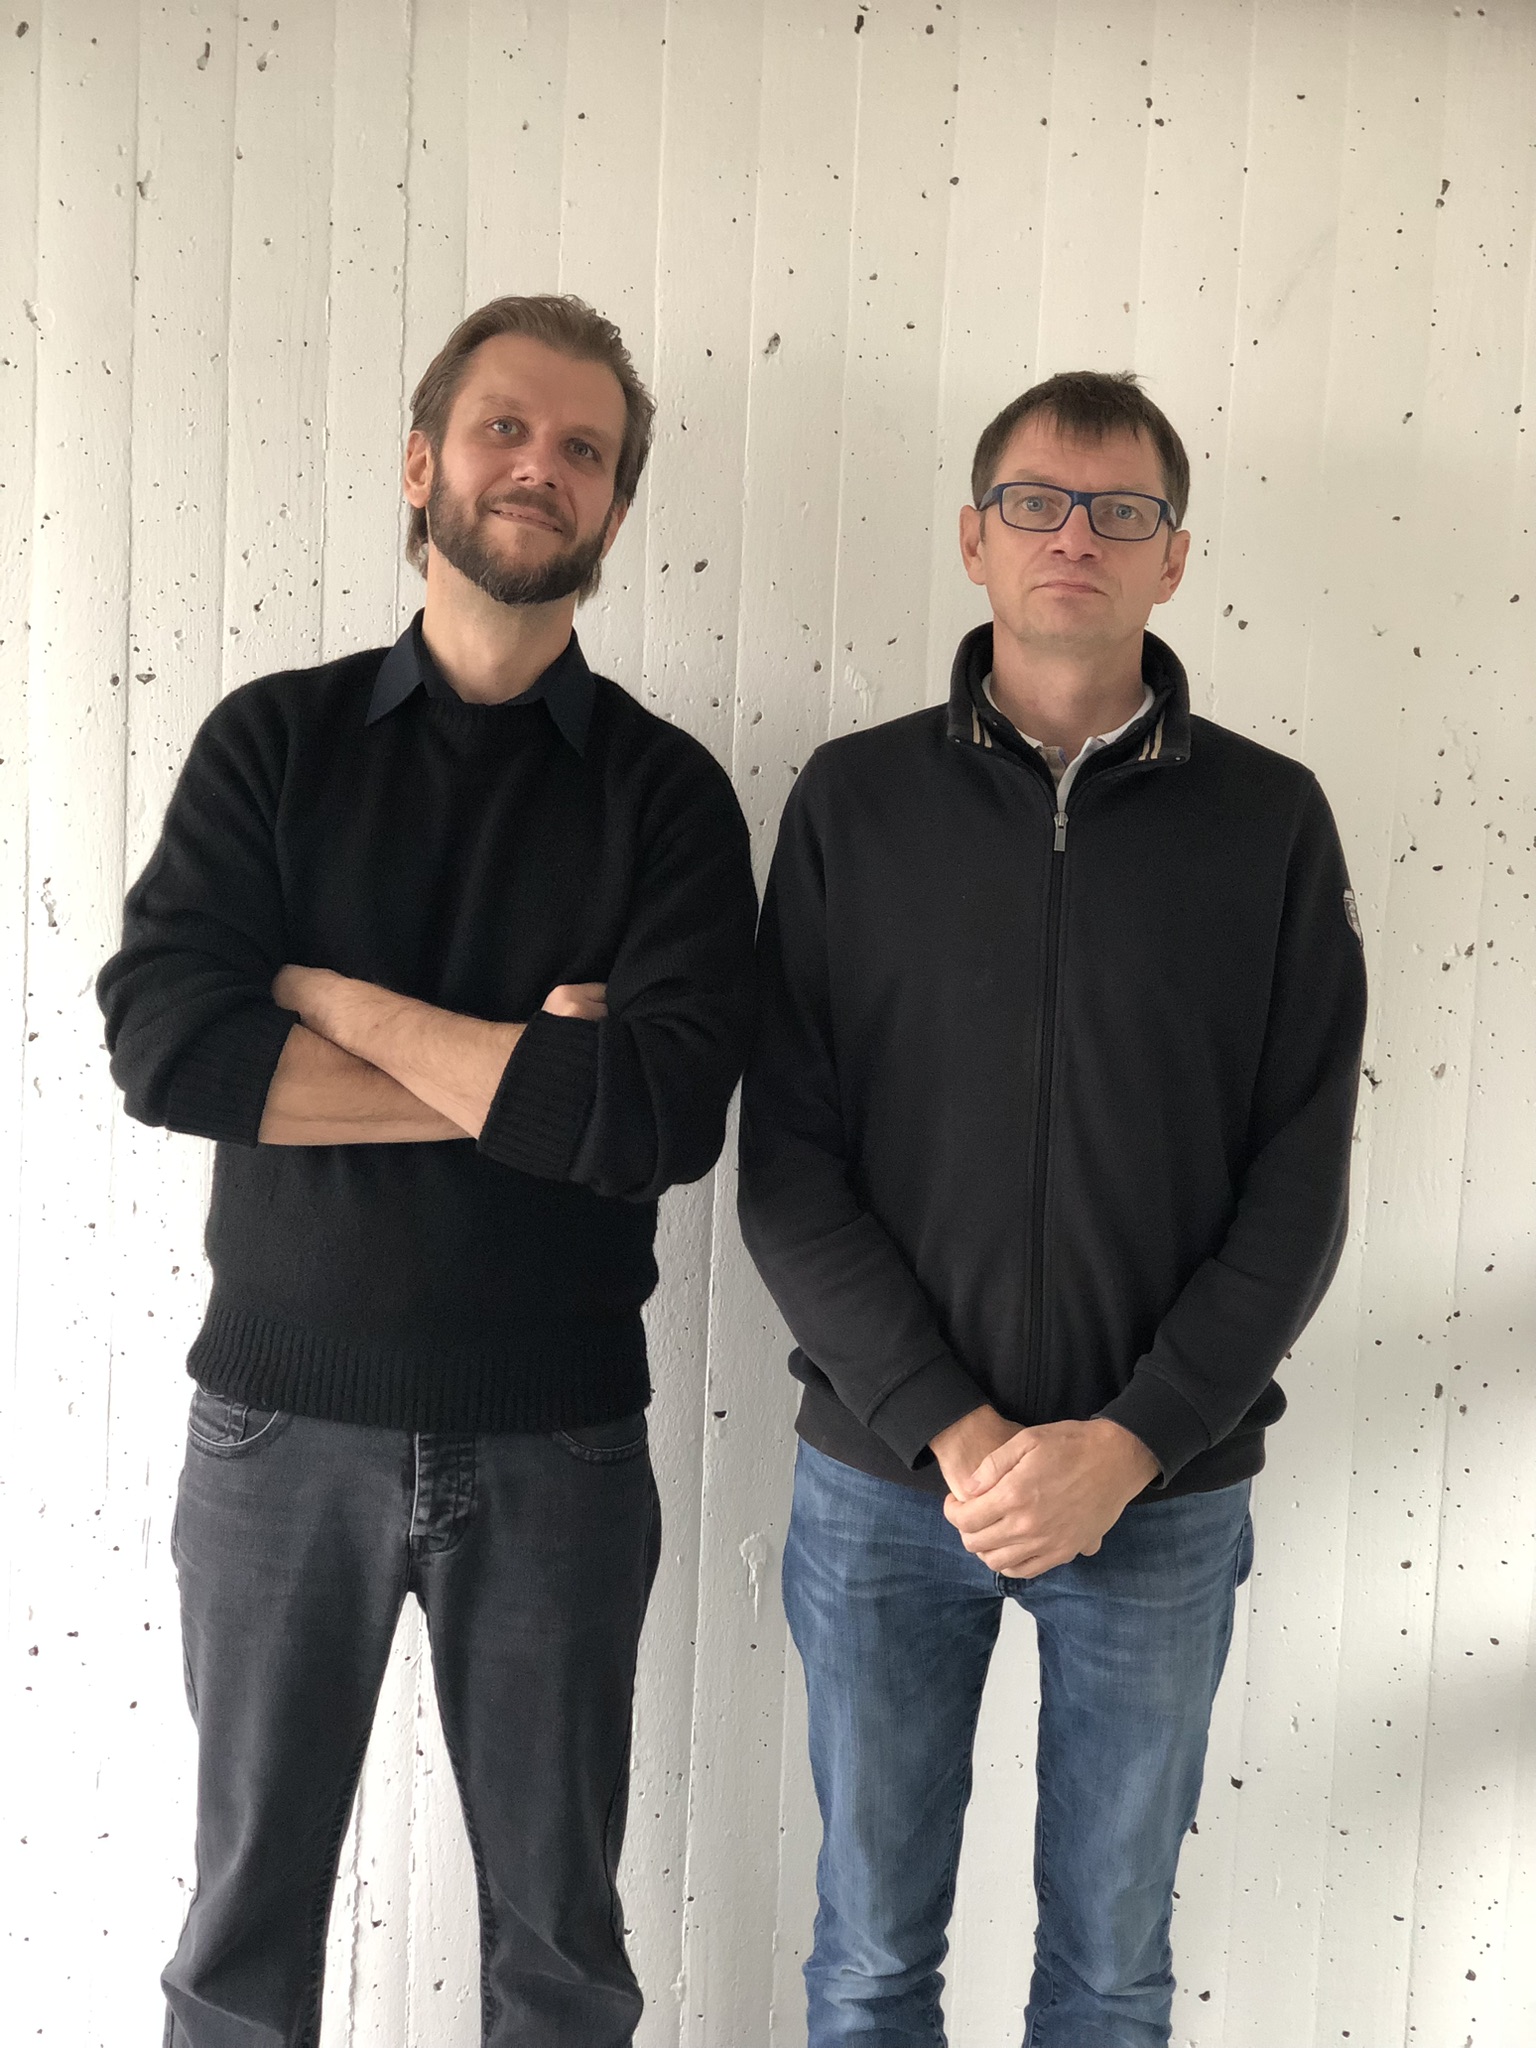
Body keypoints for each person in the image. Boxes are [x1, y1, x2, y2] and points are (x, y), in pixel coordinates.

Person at [97, 293, 757, 2048]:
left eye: (586, 450)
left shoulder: (670, 797)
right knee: (238, 1945)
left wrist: (329, 1001)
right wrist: (528, 1072)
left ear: (614, 512)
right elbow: (168, 1049)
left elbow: (662, 1121)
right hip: (273, 1431)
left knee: (561, 1954)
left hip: (558, 1441)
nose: (541, 466)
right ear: (424, 461)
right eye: (505, 428)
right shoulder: (276, 742)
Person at [739, 370, 1367, 2047]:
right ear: (973, 538)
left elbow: (1299, 1190)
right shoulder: (852, 806)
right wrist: (955, 1435)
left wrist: (1132, 1442)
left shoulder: (1272, 823)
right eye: (1036, 502)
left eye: (1121, 511)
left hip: (1159, 1504)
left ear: (1175, 560)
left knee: (1111, 1975)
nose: (1074, 537)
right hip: (885, 1490)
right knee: (871, 1963)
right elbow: (788, 1169)